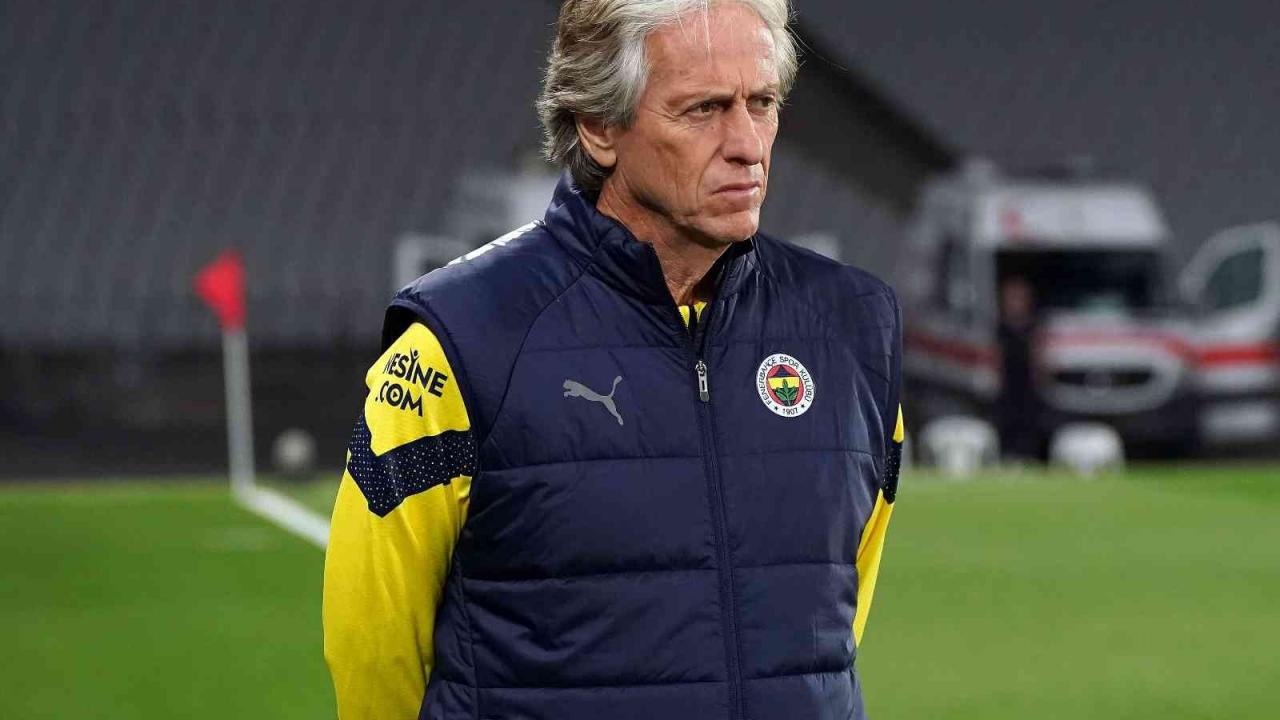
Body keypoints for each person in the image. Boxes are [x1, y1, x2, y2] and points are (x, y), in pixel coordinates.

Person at [323, 2, 905, 718]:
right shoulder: (463, 336)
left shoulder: (854, 329)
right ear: (599, 126)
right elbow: (372, 648)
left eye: (762, 103)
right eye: (704, 109)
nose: (747, 144)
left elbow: (832, 621)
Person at [994, 275, 1041, 460]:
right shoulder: (998, 329)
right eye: (1011, 298)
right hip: (1004, 390)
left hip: (1028, 391)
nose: (1016, 303)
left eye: (1020, 298)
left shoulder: (1034, 329)